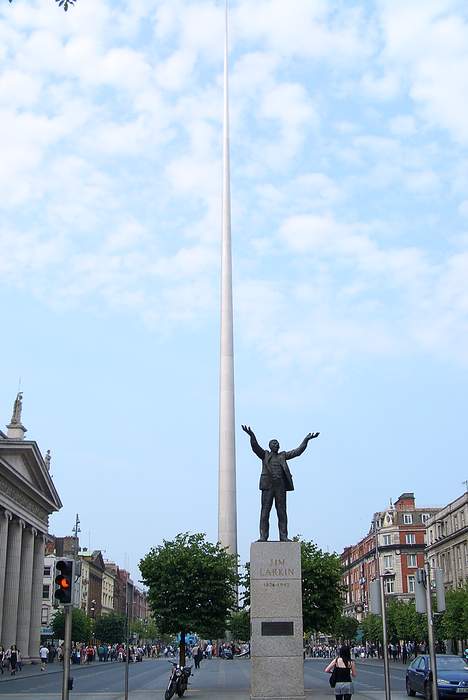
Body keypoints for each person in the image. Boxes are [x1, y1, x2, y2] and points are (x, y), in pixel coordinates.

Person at [242, 425, 319, 541]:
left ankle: (283, 536)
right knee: (265, 512)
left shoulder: (283, 456)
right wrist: (251, 435)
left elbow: (297, 452)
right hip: (268, 486)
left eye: (277, 443)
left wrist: (306, 440)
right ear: (270, 446)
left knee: (282, 512)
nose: (276, 445)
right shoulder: (265, 455)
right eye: (274, 443)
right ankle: (263, 536)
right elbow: (255, 447)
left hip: (280, 486)